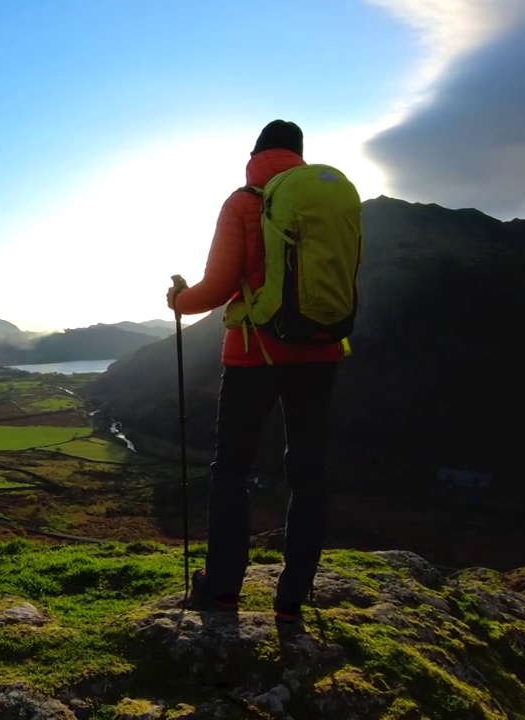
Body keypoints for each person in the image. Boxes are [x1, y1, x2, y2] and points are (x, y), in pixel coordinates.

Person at [166, 119, 342, 624]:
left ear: (255, 154)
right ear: (300, 155)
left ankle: (222, 588)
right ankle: (292, 597)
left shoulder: (243, 202)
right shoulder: (327, 203)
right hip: (321, 353)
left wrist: (179, 300)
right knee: (308, 472)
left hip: (253, 355)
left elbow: (218, 287)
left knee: (231, 471)